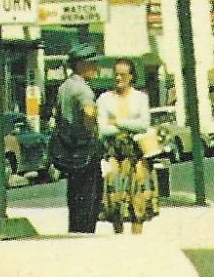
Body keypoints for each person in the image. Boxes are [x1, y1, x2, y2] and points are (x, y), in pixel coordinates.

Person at [97, 58, 158, 235]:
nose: (118, 78)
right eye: (116, 74)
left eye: (122, 75)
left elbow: (144, 125)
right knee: (115, 199)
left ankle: (137, 239)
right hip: (114, 155)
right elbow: (102, 129)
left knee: (139, 200)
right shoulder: (105, 99)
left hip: (137, 155)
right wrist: (130, 124)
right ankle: (119, 236)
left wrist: (117, 122)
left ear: (131, 76)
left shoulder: (140, 98)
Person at [53, 43, 104, 234]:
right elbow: (89, 113)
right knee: (89, 200)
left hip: (69, 149)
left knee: (74, 199)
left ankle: (75, 233)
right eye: (93, 64)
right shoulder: (83, 90)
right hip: (85, 151)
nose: (96, 68)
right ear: (82, 65)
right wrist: (92, 134)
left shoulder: (64, 87)